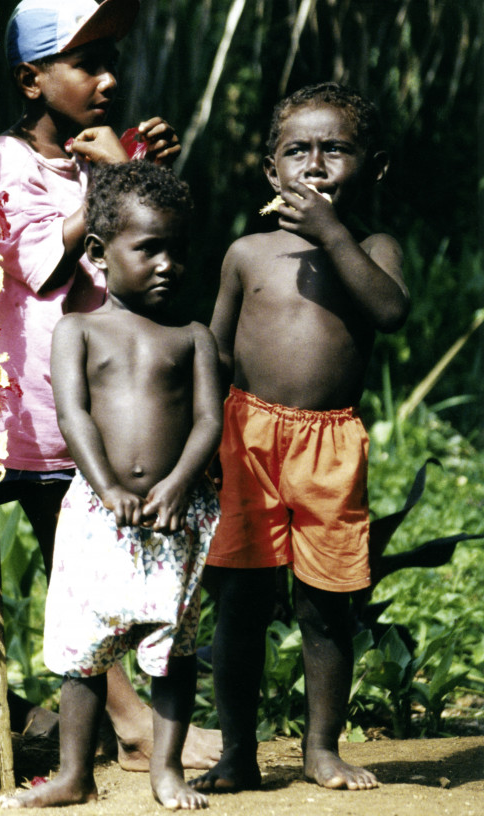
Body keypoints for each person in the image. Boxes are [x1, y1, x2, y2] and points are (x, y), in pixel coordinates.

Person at [0, 0, 219, 770]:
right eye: (87, 63)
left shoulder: (100, 157)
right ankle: (127, 718)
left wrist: (144, 175)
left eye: (112, 57)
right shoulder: (9, 159)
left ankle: (135, 715)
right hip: (51, 410)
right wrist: (117, 175)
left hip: (124, 412)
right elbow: (39, 264)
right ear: (30, 78)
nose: (108, 79)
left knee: (121, 568)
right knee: (76, 569)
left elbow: (154, 253)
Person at [193, 83, 408, 795]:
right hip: (247, 439)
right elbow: (216, 355)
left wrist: (334, 234)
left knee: (325, 602)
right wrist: (196, 439)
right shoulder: (247, 253)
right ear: (270, 170)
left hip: (330, 447)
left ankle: (322, 748)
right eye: (298, 151)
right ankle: (237, 753)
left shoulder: (373, 246)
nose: (315, 166)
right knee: (242, 604)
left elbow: (390, 312)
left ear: (372, 168)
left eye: (335, 150)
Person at [2, 162, 221, 810]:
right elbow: (72, 416)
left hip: (173, 517)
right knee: (85, 647)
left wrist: (180, 483)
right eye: (148, 248)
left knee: (173, 648)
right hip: (99, 514)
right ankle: (75, 774)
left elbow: (210, 419)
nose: (167, 264)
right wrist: (104, 486)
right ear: (97, 255)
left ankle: (165, 770)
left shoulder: (192, 336)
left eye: (177, 250)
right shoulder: (78, 330)